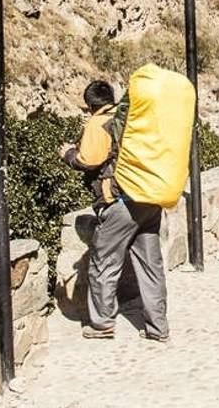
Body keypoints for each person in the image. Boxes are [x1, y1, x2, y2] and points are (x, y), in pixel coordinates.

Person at [59, 80, 169, 342]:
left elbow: (89, 160)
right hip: (149, 199)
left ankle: (102, 324)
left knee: (103, 262)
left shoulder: (98, 123)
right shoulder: (134, 118)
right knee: (150, 266)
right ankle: (158, 327)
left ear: (90, 106)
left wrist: (68, 153)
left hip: (120, 203)